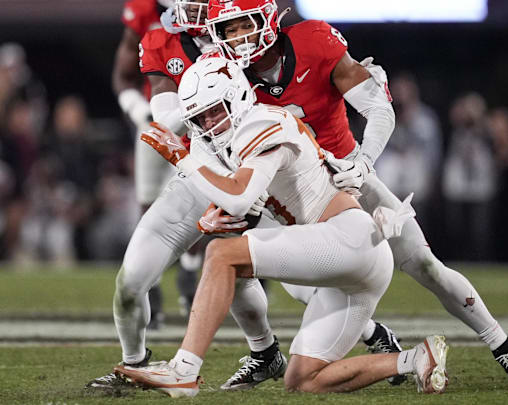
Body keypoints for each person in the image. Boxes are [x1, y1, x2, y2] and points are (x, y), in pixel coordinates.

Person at [204, 0, 508, 388]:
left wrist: (363, 163)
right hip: (295, 196)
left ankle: (505, 348)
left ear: (266, 18)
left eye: (241, 24)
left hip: (348, 178)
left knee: (427, 267)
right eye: (227, 30)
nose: (236, 37)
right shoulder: (226, 77)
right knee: (301, 285)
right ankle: (371, 335)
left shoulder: (315, 41)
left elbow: (379, 110)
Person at [115, 57, 447, 397]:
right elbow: (242, 208)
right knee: (304, 380)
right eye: (200, 117)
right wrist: (206, 219)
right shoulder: (236, 141)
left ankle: (184, 371)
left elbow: (241, 197)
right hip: (347, 259)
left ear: (238, 97)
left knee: (221, 254)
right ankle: (416, 359)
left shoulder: (262, 123)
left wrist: (180, 156)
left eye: (215, 110)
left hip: (349, 237)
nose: (209, 123)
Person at [86, 1, 290, 392]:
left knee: (296, 278)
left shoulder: (244, 29)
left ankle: (352, 336)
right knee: (130, 283)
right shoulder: (161, 41)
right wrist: (209, 83)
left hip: (258, 169)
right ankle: (135, 364)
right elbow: (165, 122)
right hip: (199, 171)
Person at [113, 0, 171, 329]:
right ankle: (150, 287)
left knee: (210, 204)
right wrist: (141, 113)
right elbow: (122, 77)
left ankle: (193, 278)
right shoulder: (144, 14)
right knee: (148, 206)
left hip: (203, 123)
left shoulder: (213, 14)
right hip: (155, 121)